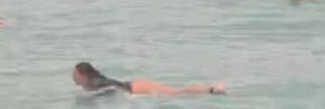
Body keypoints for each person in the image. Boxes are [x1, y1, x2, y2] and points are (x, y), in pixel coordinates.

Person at [72, 62, 225, 97]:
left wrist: (129, 98)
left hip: (137, 88)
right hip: (135, 85)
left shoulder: (96, 83)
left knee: (178, 92)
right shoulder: (92, 83)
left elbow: (114, 87)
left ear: (82, 75)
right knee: (177, 92)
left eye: (75, 74)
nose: (73, 77)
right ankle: (211, 89)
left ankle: (212, 89)